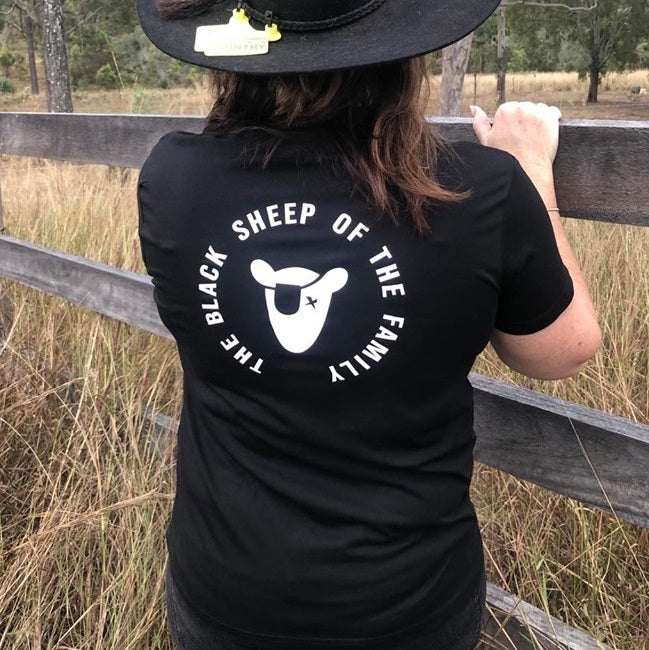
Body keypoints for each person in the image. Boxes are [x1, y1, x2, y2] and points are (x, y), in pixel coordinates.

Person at [136, 1, 602, 648]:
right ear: (401, 52)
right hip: (403, 602)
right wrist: (528, 173)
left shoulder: (173, 178)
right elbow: (560, 351)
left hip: (225, 589)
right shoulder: (475, 190)